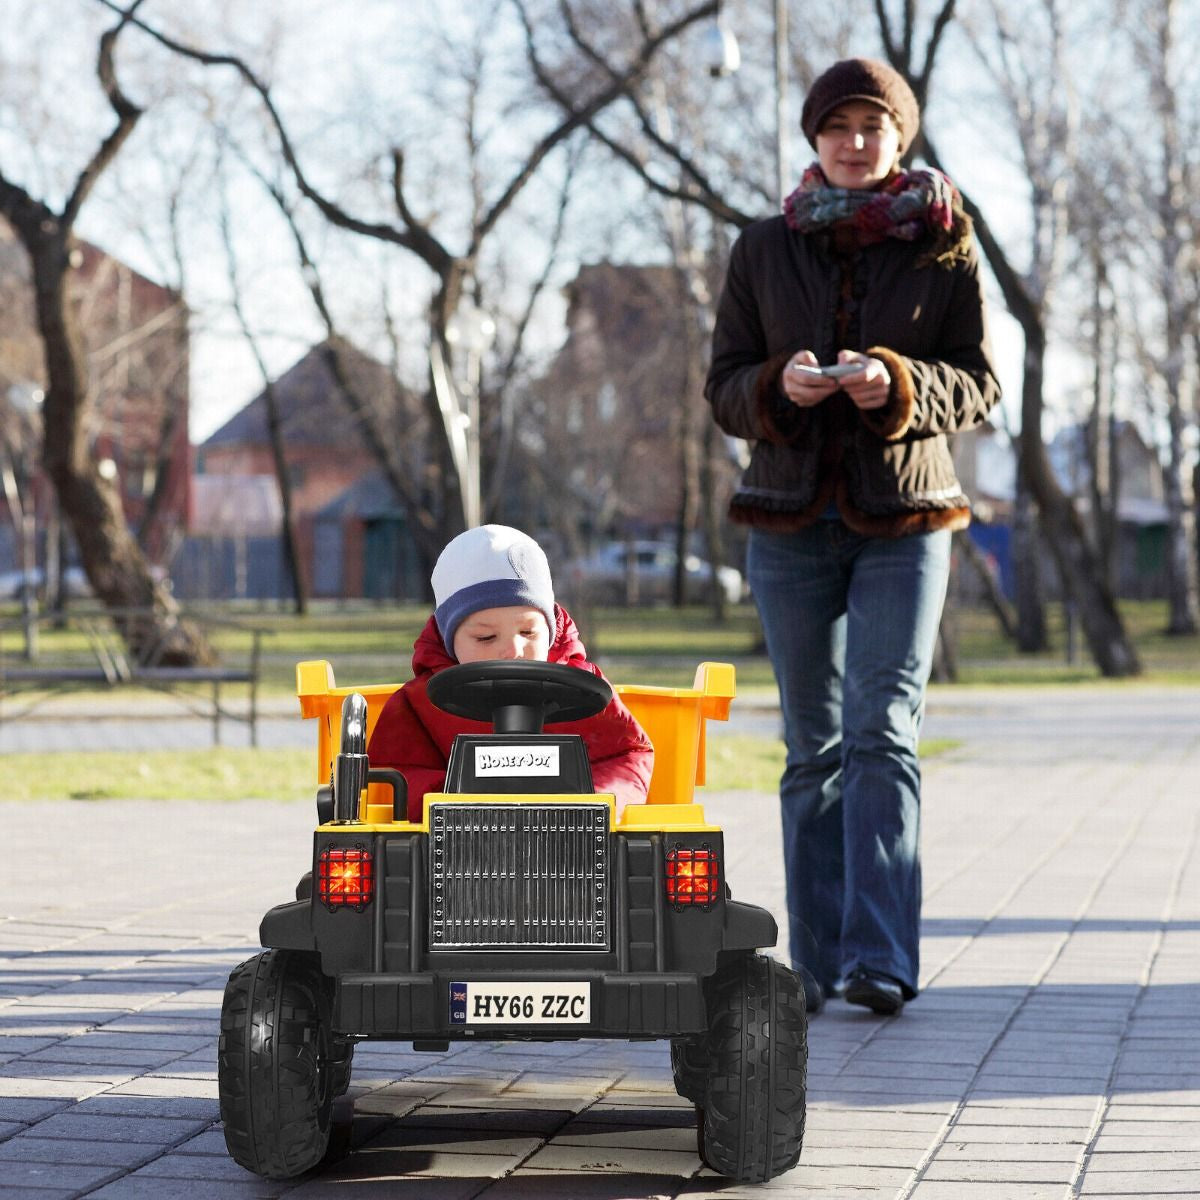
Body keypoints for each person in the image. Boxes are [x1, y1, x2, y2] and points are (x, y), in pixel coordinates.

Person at [704, 58, 1000, 1017]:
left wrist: (899, 383)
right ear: (814, 138)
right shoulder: (762, 248)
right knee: (811, 748)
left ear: (900, 136)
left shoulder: (946, 244)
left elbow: (981, 383)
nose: (855, 141)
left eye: (873, 125)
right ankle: (818, 963)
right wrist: (774, 389)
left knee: (884, 734)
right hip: (789, 524)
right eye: (837, 126)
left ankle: (882, 959)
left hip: (906, 521)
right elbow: (723, 387)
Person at [368, 524, 653, 821]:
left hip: (571, 845)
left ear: (551, 630)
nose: (513, 649)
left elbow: (627, 755)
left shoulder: (585, 691)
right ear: (449, 640)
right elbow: (396, 776)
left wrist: (590, 805)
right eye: (486, 638)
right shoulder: (418, 704)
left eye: (528, 631)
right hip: (458, 850)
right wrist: (460, 805)